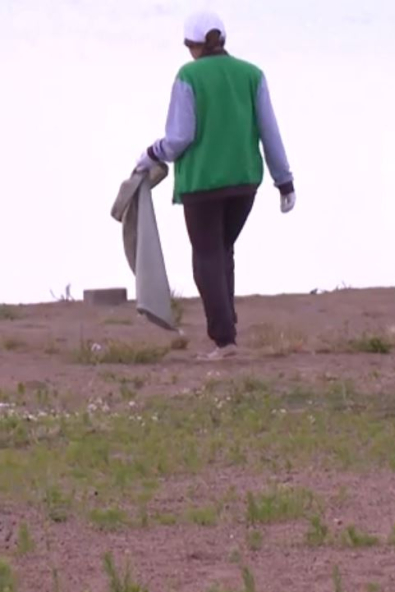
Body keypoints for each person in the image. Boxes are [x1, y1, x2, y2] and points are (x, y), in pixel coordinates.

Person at [137, 11, 296, 360]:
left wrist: (151, 154)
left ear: (191, 45)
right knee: (223, 251)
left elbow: (180, 138)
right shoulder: (252, 74)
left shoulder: (188, 75)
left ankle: (224, 341)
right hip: (245, 183)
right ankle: (228, 330)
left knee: (206, 257)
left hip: (203, 183)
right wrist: (284, 181)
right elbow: (270, 130)